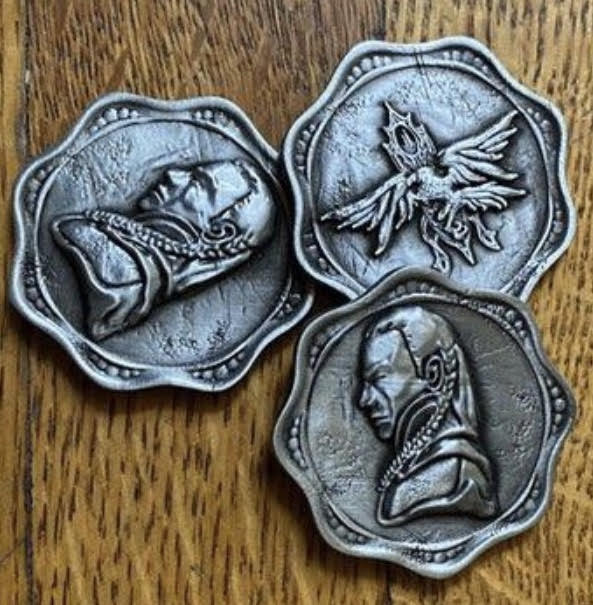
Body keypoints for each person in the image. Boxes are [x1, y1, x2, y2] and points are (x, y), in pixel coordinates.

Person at [51, 159, 276, 340]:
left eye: (198, 182)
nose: (173, 174)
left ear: (219, 233)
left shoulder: (115, 276)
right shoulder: (101, 236)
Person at [357, 305, 499, 526]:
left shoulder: (456, 476)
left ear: (434, 374)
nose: (364, 399)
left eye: (380, 377)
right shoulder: (413, 465)